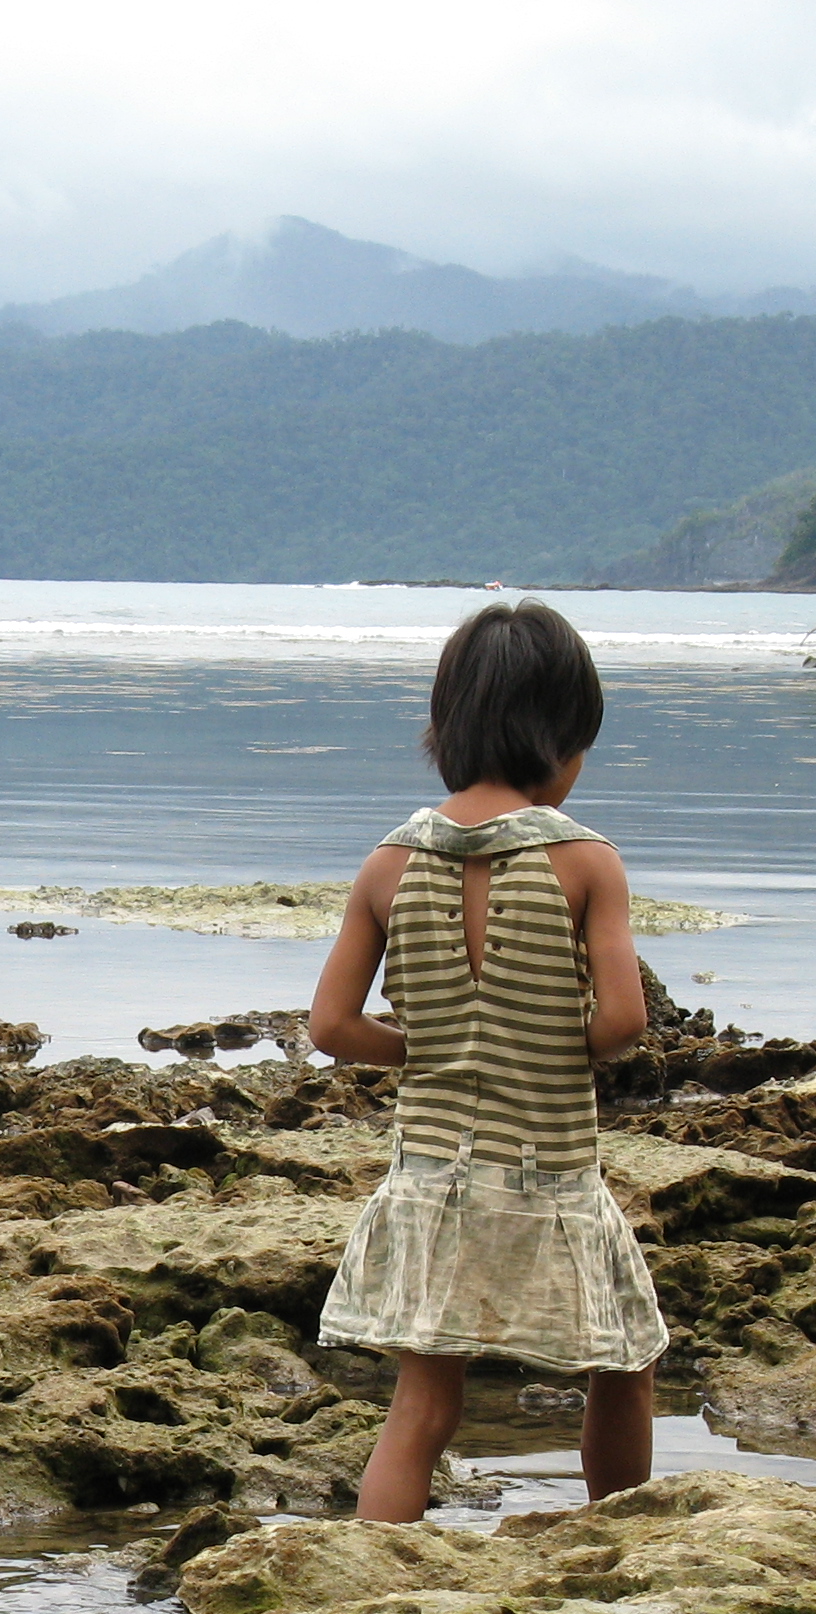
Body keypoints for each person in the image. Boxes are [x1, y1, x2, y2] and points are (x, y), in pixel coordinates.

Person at [307, 599, 668, 1519]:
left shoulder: (388, 862)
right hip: (549, 1171)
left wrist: (432, 1049)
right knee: (623, 1361)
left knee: (424, 1402)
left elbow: (332, 1027)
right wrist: (545, 1047)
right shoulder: (588, 862)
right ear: (563, 741)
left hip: (429, 1176)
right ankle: (613, 1537)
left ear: (449, 727)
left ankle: (377, 1572)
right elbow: (623, 1020)